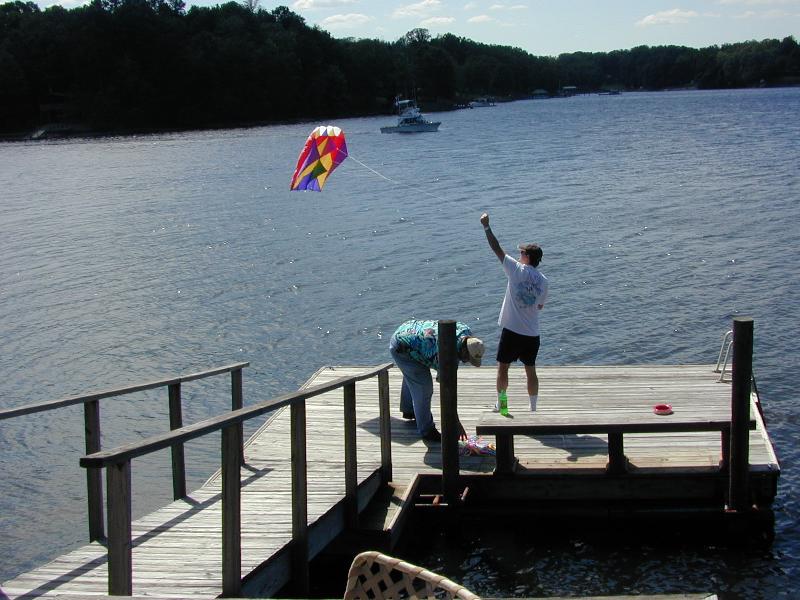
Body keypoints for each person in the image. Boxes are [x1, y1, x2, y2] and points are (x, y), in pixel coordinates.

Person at [480, 212, 548, 411]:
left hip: (512, 331)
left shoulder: (515, 269)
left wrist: (486, 226)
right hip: (532, 333)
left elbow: (496, 247)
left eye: (521, 253)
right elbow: (540, 306)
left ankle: (502, 406)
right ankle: (533, 409)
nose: (519, 256)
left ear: (526, 257)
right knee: (531, 371)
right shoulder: (544, 281)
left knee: (503, 369)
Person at [389, 319, 484, 442]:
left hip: (408, 330)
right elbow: (447, 393)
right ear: (464, 350)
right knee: (424, 388)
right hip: (401, 346)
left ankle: (409, 410)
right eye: (467, 358)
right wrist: (456, 423)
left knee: (413, 376)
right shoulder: (445, 355)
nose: (466, 361)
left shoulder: (466, 332)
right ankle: (427, 430)